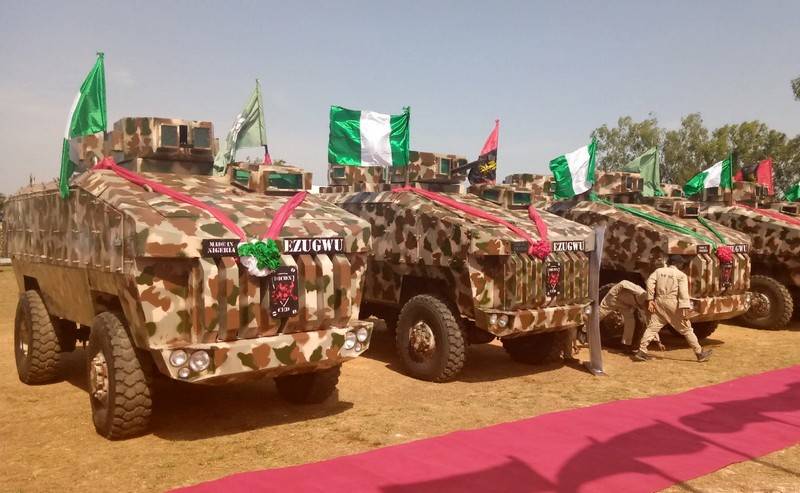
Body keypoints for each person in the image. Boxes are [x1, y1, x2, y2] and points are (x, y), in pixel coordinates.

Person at [634, 255, 713, 362]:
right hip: (672, 303)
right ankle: (699, 353)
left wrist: (650, 299)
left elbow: (649, 283)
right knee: (687, 329)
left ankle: (641, 351)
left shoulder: (658, 271)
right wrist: (685, 308)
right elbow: (683, 293)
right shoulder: (681, 275)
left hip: (659, 301)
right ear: (679, 264)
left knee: (652, 327)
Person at [599, 280, 649, 347]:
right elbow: (623, 283)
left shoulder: (646, 305)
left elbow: (650, 322)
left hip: (625, 304)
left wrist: (658, 341)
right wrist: (612, 294)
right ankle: (583, 330)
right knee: (600, 314)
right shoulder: (640, 292)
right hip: (614, 298)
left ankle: (626, 344)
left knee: (630, 321)